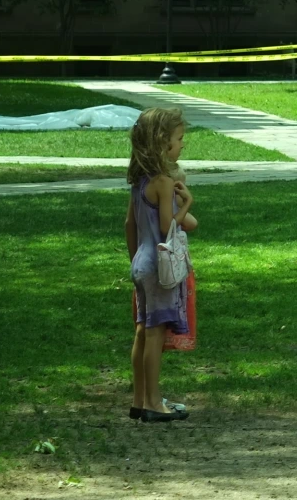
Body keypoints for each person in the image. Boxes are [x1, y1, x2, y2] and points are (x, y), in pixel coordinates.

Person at [125, 106, 198, 423]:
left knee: (142, 331)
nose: (182, 144)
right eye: (179, 139)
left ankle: (140, 400)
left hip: (142, 261)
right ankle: (155, 403)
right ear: (162, 143)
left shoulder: (139, 181)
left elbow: (130, 224)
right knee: (155, 335)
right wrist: (188, 204)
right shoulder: (164, 182)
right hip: (160, 265)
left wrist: (135, 262)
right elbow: (171, 227)